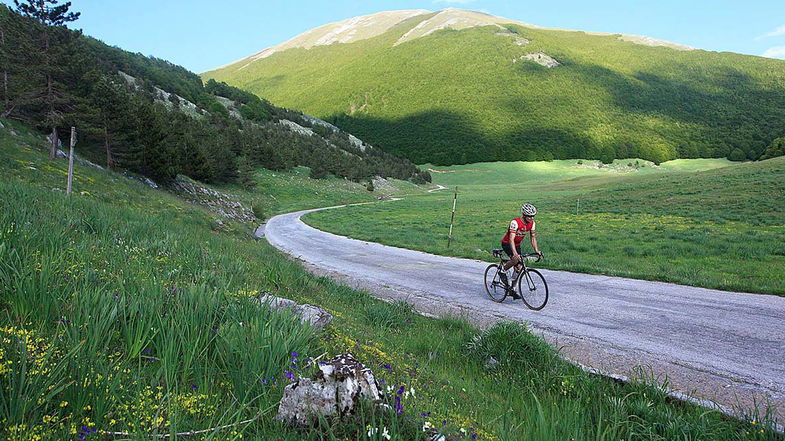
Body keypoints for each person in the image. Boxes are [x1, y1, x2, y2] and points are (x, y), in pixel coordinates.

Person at [500, 203, 543, 297]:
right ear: (524, 215)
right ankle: (503, 270)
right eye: (529, 216)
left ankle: (512, 289)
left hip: (517, 244)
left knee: (519, 268)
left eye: (533, 216)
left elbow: (533, 237)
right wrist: (515, 253)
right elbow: (511, 239)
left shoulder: (532, 224)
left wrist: (536, 250)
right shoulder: (515, 222)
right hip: (507, 243)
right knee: (516, 259)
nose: (531, 218)